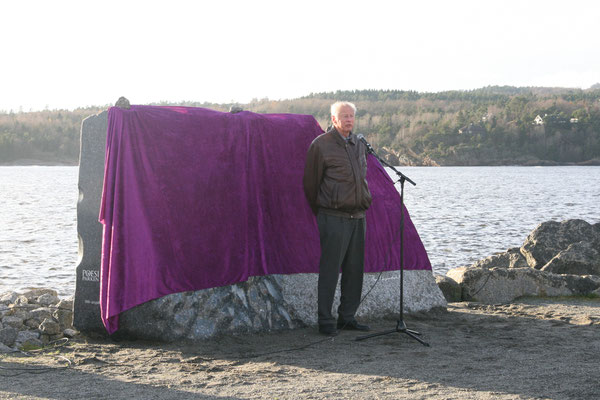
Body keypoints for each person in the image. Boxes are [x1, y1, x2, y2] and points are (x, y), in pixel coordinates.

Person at [302, 101, 373, 336]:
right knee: (330, 270)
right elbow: (310, 185)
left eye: (352, 116)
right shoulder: (320, 145)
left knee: (355, 270)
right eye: (344, 116)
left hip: (358, 216)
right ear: (333, 119)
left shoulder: (358, 144)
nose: (349, 120)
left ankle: (347, 317)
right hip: (333, 217)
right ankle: (325, 321)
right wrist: (324, 210)